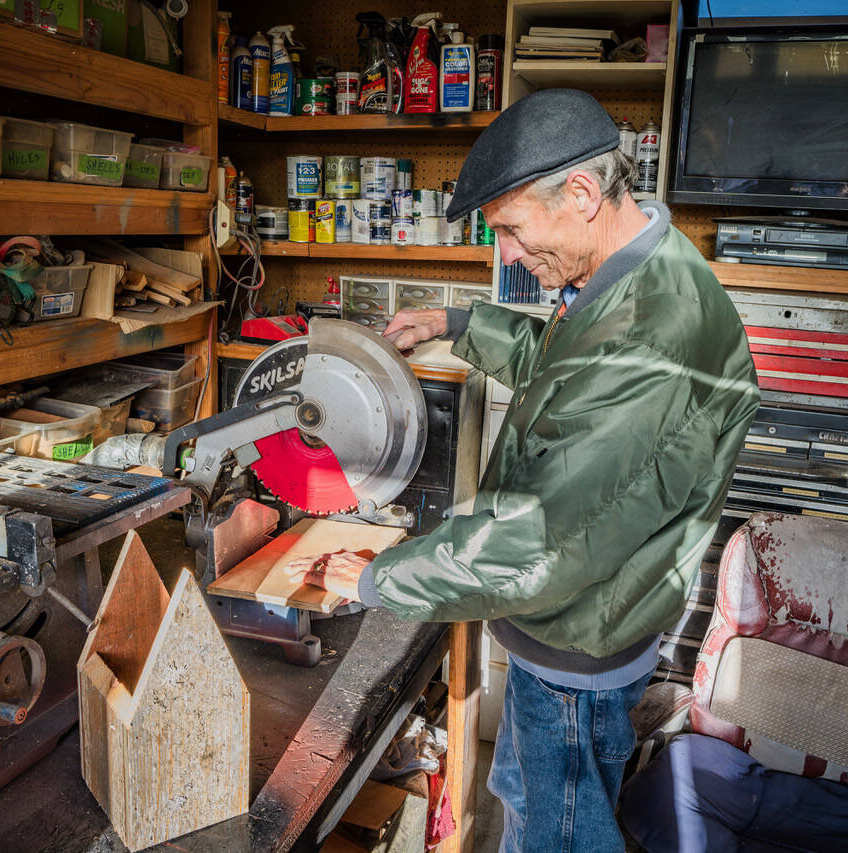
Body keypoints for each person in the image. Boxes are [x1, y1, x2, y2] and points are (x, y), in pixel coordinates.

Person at [285, 88, 760, 852]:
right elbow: (565, 372)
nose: (505, 253)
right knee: (534, 805)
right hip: (592, 618)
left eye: (510, 229)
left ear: (580, 194)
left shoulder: (649, 336)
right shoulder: (641, 274)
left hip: (577, 640)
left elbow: (537, 540)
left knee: (559, 834)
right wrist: (461, 325)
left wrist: (378, 577)